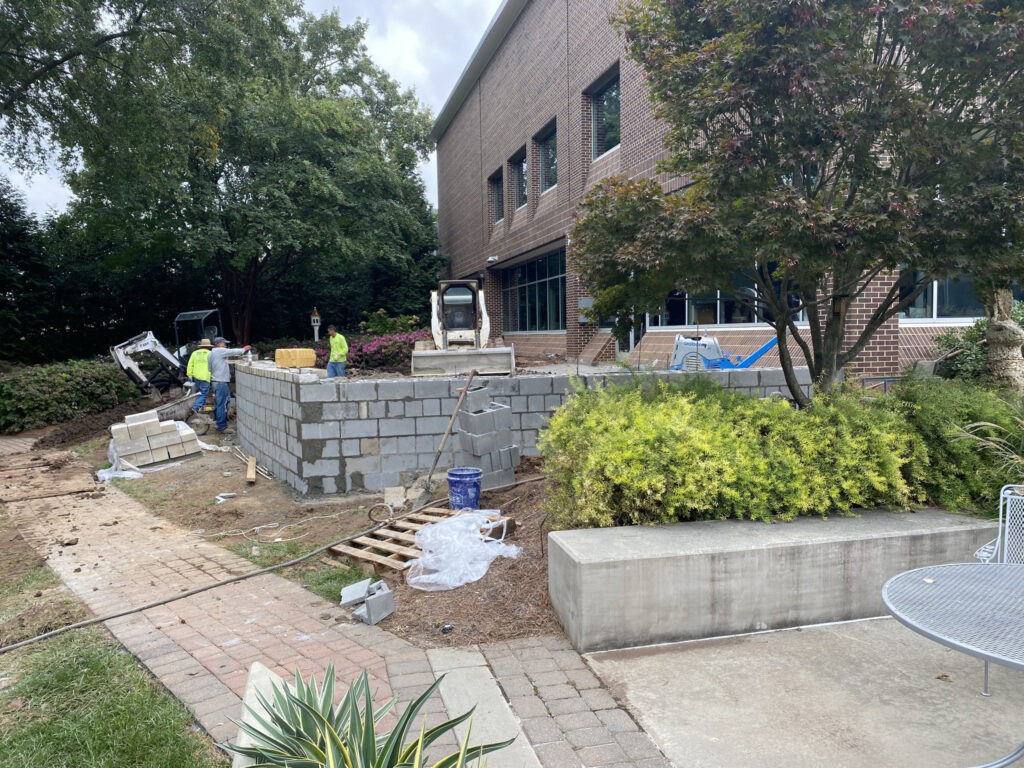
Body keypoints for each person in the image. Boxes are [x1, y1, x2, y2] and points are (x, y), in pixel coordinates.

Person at [207, 337, 250, 434]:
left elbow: (209, 368)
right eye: (224, 343)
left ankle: (220, 424)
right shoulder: (219, 351)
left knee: (220, 404)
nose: (225, 345)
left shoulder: (211, 353)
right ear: (219, 344)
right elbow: (232, 351)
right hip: (221, 383)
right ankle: (222, 427)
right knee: (222, 405)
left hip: (215, 382)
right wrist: (244, 349)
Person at [185, 338, 213, 413]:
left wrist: (189, 375)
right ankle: (195, 408)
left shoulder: (195, 353)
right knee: (203, 394)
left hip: (196, 377)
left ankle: (203, 409)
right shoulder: (210, 354)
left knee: (200, 393)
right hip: (205, 377)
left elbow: (190, 365)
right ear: (209, 346)